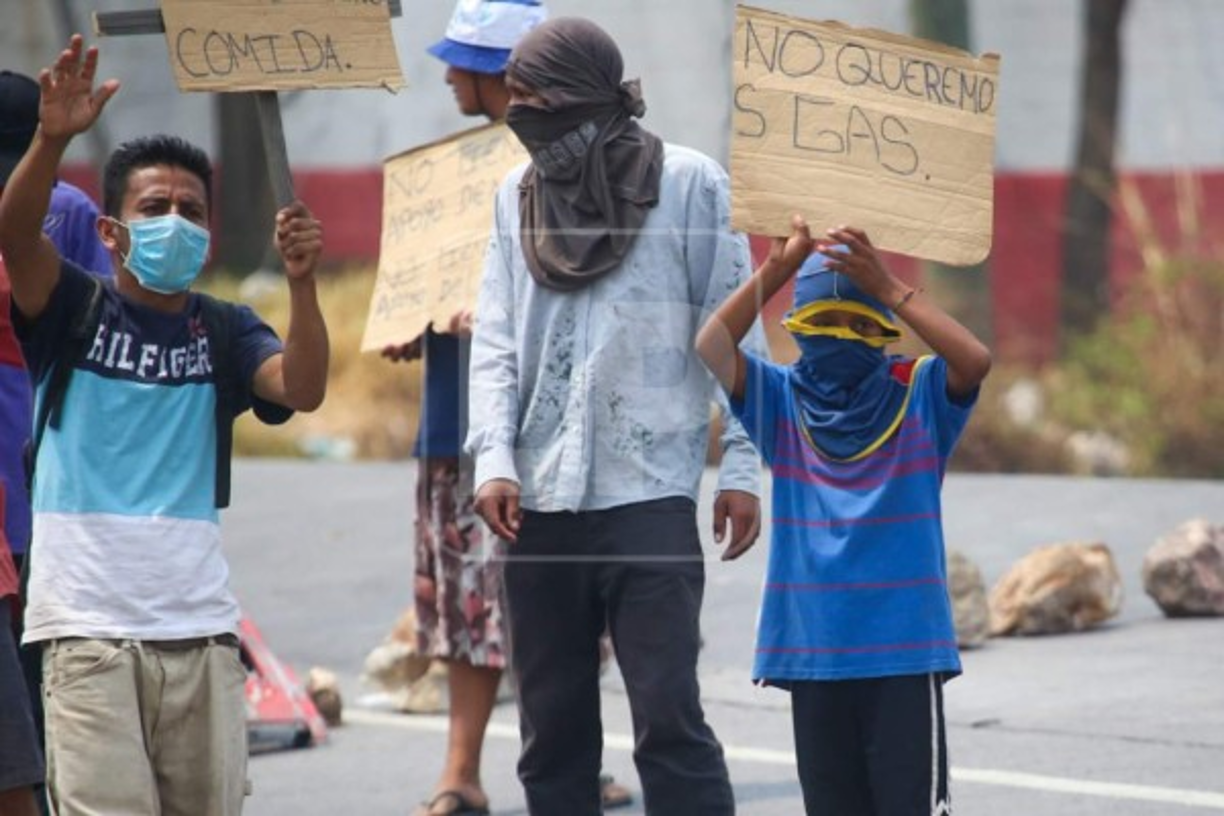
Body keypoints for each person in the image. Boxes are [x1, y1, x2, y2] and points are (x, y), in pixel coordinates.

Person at [0, 35, 329, 815]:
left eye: (191, 212)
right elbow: (15, 233)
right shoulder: (70, 309)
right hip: (85, 634)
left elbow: (302, 387)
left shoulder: (226, 329)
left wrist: (303, 286)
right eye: (154, 209)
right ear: (110, 231)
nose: (174, 223)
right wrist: (51, 140)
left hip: (200, 635)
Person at [467, 17, 765, 815]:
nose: (521, 114)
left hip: (650, 492)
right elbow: (495, 339)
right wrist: (493, 460)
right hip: (538, 501)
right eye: (515, 97)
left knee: (668, 716)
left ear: (584, 94)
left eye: (537, 98)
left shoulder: (692, 184)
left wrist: (742, 468)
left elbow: (738, 335)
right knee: (552, 729)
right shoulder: (513, 195)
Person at [386, 3, 631, 812]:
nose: (449, 76)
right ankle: (461, 771)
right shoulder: (450, 172)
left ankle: (569, 756)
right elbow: (428, 285)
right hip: (460, 419)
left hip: (556, 425)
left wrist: (496, 315)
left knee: (563, 600)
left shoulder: (581, 168)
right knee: (467, 599)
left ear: (506, 73)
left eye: (462, 61)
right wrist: (412, 320)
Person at [695, 219, 992, 815]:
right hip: (815, 654)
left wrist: (888, 287)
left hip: (903, 654)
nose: (842, 337)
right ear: (799, 328)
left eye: (858, 323)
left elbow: (974, 359)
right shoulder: (781, 402)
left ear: (883, 330)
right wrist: (777, 267)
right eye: (825, 322)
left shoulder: (919, 394)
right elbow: (711, 346)